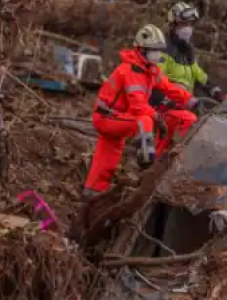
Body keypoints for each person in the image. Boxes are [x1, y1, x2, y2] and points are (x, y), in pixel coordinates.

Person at [83, 24, 198, 198]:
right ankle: (147, 167)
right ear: (142, 50)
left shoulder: (150, 70)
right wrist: (157, 117)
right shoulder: (131, 71)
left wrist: (190, 100)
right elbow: (138, 106)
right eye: (154, 50)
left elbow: (168, 87)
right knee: (144, 120)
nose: (158, 54)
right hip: (108, 117)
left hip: (117, 117)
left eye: (159, 50)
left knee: (107, 159)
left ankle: (93, 192)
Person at [153, 2, 224, 102]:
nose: (188, 28)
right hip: (168, 107)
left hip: (187, 104)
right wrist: (179, 93)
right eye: (183, 24)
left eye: (189, 24)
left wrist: (213, 89)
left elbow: (197, 72)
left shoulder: (186, 50)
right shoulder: (164, 50)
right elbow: (157, 81)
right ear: (173, 25)